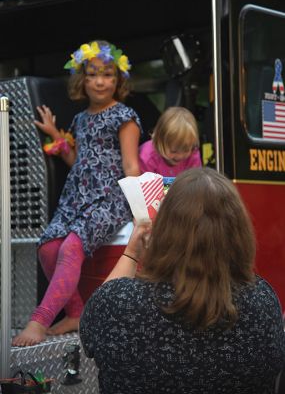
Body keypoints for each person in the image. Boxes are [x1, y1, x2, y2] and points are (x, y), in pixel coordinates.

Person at [80, 167, 285, 394]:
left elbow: (91, 328)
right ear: (239, 233)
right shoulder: (264, 301)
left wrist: (131, 253)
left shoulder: (117, 303)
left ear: (164, 231)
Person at [12, 40, 142, 347]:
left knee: (72, 247)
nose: (99, 81)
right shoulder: (81, 119)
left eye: (108, 74)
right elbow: (79, 160)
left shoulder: (124, 115)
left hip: (110, 199)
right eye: (93, 73)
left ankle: (39, 320)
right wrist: (57, 137)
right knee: (48, 246)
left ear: (118, 80)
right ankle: (76, 313)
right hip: (76, 197)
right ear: (82, 79)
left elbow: (130, 165)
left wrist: (140, 214)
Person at [139, 106, 202, 176]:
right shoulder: (148, 158)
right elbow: (145, 185)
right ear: (159, 141)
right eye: (173, 151)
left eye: (186, 150)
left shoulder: (193, 154)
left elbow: (195, 182)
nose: (180, 156)